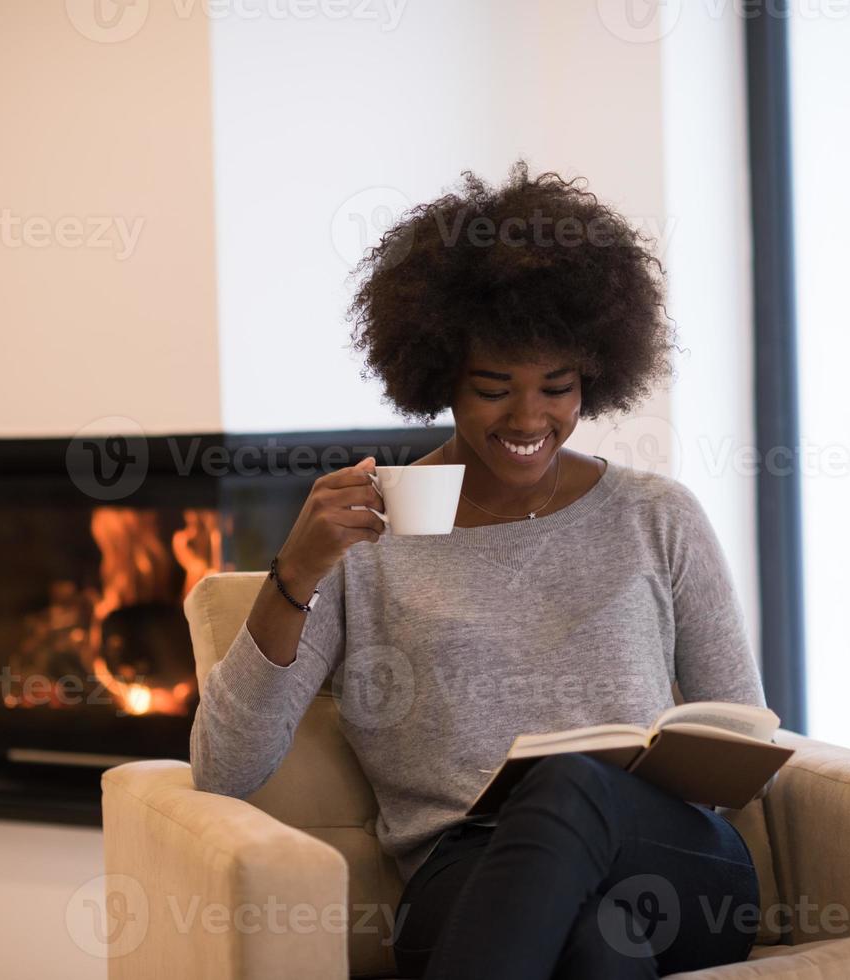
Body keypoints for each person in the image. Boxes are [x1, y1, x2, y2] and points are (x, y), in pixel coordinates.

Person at [191, 162, 762, 978]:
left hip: (672, 863)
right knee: (600, 949)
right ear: (440, 378)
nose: (529, 419)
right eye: (494, 389)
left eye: (555, 389)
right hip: (465, 876)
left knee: (568, 785)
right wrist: (297, 571)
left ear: (592, 377)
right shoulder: (369, 537)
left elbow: (739, 740)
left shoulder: (655, 516)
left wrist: (655, 769)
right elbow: (225, 768)